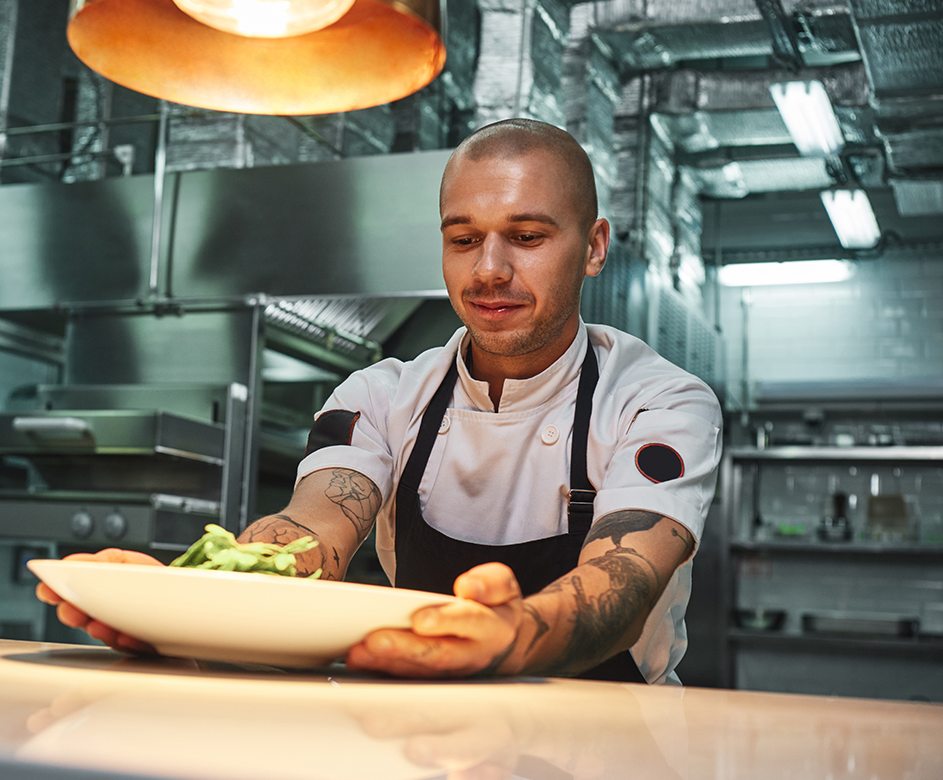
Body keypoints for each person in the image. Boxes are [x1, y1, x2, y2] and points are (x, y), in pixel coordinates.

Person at [38, 118, 723, 684]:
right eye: (463, 239)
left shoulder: (658, 401)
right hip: (422, 725)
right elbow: (313, 531)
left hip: (613, 741)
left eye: (527, 236)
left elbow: (625, 579)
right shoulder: (384, 394)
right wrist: (193, 598)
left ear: (594, 246)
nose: (489, 269)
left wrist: (509, 637)